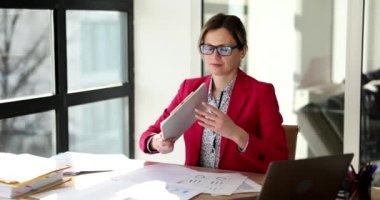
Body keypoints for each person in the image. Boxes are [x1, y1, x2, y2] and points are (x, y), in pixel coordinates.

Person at [139, 13, 288, 173]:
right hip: (195, 189)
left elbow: (280, 159)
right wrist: (157, 142)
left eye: (224, 49)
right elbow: (149, 135)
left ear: (243, 50)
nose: (214, 56)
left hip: (241, 193)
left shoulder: (261, 93)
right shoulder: (189, 88)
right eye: (208, 48)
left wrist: (236, 134)